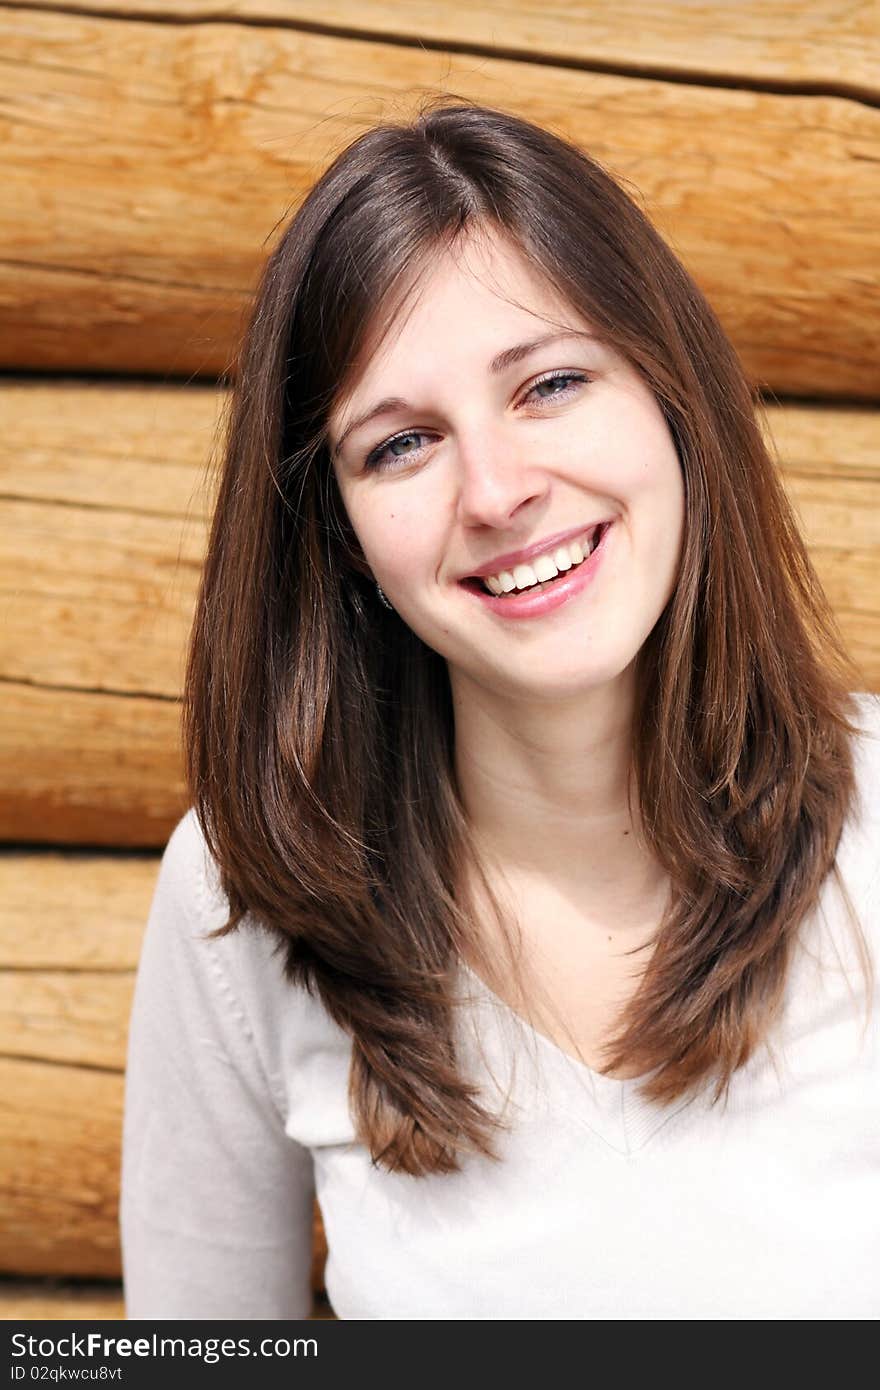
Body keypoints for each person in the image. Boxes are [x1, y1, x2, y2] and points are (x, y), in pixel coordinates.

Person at [120, 97, 879, 1321]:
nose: (497, 490)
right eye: (402, 444)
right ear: (341, 535)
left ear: (672, 399)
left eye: (552, 382)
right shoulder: (236, 895)